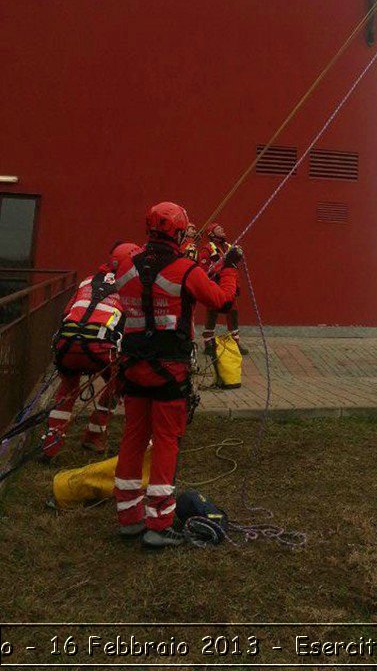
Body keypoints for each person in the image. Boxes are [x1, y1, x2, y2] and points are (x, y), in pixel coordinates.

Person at [112, 202, 242, 548]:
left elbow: (137, 277)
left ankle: (128, 516)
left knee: (133, 438)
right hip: (169, 371)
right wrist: (229, 269)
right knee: (167, 440)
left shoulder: (127, 265)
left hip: (133, 367)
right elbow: (222, 301)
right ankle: (159, 522)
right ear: (179, 233)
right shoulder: (185, 269)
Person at [41, 242, 139, 460]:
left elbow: (68, 311)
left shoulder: (87, 280)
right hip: (101, 349)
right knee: (117, 385)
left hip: (67, 344)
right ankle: (95, 435)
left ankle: (51, 442)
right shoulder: (132, 286)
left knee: (67, 389)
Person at [199, 223, 249, 357]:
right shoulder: (207, 249)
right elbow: (204, 271)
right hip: (215, 285)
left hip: (229, 284)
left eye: (222, 228)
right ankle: (208, 341)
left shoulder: (228, 247)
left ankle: (235, 341)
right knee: (212, 312)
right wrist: (223, 263)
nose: (222, 229)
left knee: (233, 312)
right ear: (211, 234)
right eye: (218, 229)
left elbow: (233, 268)